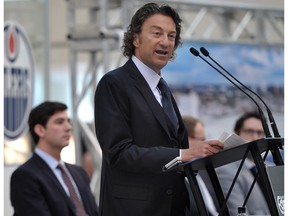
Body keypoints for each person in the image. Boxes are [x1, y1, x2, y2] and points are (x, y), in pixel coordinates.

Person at [94, 3, 224, 216]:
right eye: (157, 33)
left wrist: (203, 154)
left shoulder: (162, 88)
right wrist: (183, 154)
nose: (165, 42)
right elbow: (119, 153)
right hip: (135, 209)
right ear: (135, 39)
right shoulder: (114, 83)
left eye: (172, 36)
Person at [10, 101, 98, 216]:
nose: (68, 127)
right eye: (59, 122)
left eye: (68, 121)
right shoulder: (25, 176)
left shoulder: (79, 173)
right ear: (40, 130)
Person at [215, 111, 270, 215]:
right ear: (237, 134)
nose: (255, 137)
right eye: (249, 131)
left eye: (260, 133)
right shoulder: (227, 171)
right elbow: (237, 213)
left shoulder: (270, 167)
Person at [182, 115, 219, 216]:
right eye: (200, 139)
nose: (204, 144)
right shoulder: (175, 177)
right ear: (185, 138)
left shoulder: (204, 170)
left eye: (205, 139)